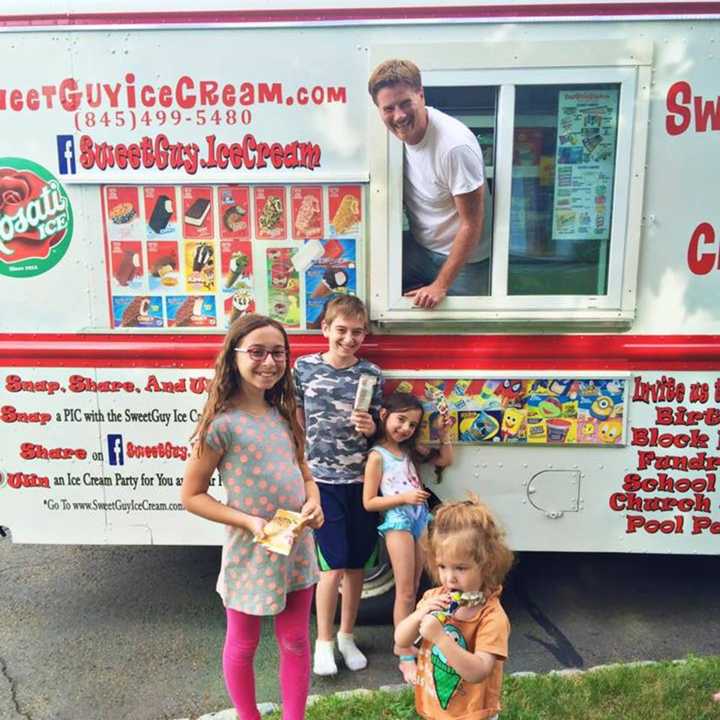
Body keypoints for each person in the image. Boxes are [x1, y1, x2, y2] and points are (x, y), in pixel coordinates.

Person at [181, 314, 324, 720]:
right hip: (252, 548)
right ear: (234, 357)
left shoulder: (286, 414)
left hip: (295, 544)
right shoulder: (221, 426)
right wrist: (248, 522)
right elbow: (192, 495)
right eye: (257, 352)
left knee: (296, 640)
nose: (268, 361)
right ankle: (248, 716)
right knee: (243, 644)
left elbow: (305, 471)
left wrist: (314, 500)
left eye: (278, 352)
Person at [293, 294, 383, 676]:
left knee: (357, 563)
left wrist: (371, 427)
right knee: (331, 565)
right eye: (341, 330)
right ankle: (324, 642)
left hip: (361, 481)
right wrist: (301, 464)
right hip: (322, 480)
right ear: (325, 329)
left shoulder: (372, 374)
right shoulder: (303, 367)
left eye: (357, 332)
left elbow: (378, 427)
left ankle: (348, 636)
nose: (349, 339)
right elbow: (295, 416)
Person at [368, 58, 491, 309]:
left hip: (465, 261)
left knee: (456, 335)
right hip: (420, 248)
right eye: (389, 108)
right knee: (372, 296)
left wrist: (440, 285)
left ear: (421, 95)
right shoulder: (389, 136)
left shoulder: (455, 147)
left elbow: (472, 223)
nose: (399, 116)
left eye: (405, 104)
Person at [395, 496, 513, 720]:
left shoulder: (491, 617)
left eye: (460, 568)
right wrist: (420, 614)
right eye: (442, 566)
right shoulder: (434, 598)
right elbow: (401, 641)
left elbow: (478, 671)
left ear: (486, 566)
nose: (449, 578)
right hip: (436, 708)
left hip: (473, 713)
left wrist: (440, 638)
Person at [363, 392, 453, 683]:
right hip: (399, 520)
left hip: (419, 518)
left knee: (416, 586)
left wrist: (444, 433)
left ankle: (410, 640)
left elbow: (445, 459)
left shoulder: (410, 452)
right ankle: (403, 651)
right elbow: (369, 502)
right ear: (384, 415)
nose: (406, 429)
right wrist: (403, 497)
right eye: (401, 420)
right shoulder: (378, 456)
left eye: (413, 425)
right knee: (403, 590)